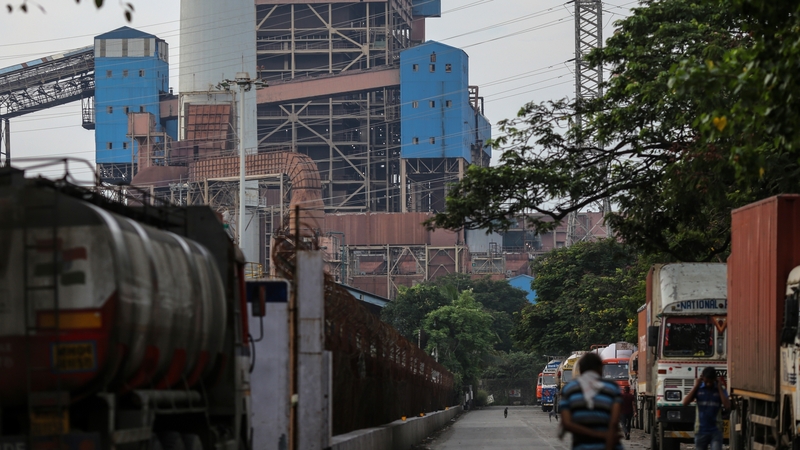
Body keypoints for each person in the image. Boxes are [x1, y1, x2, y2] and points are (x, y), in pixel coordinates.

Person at [559, 353, 623, 450]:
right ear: (600, 368)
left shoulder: (568, 389)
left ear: (580, 370)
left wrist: (597, 434)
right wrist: (606, 440)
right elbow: (614, 422)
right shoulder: (612, 388)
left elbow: (566, 423)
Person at [682, 367, 731, 450]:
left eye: (710, 382)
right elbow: (685, 402)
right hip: (701, 430)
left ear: (715, 379)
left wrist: (719, 388)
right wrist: (696, 386)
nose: (708, 384)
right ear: (702, 378)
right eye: (706, 381)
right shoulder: (699, 388)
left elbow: (727, 406)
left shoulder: (720, 389)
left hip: (716, 430)